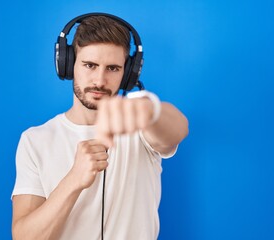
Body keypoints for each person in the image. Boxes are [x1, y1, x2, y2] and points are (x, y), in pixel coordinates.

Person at [11, 13, 189, 240]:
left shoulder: (140, 125)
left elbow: (179, 129)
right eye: (90, 65)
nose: (100, 80)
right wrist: (73, 181)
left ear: (128, 74)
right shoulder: (35, 140)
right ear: (68, 64)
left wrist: (148, 111)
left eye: (113, 68)